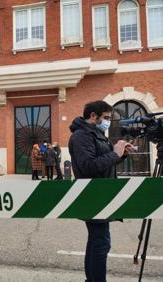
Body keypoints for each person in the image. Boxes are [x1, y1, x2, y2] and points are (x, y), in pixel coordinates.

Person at [68, 100, 135, 282]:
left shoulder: (96, 133)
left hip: (100, 194)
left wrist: (121, 154)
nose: (107, 121)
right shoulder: (82, 136)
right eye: (105, 118)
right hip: (93, 195)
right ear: (92, 116)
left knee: (97, 241)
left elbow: (103, 163)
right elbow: (89, 166)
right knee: (101, 243)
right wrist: (115, 154)